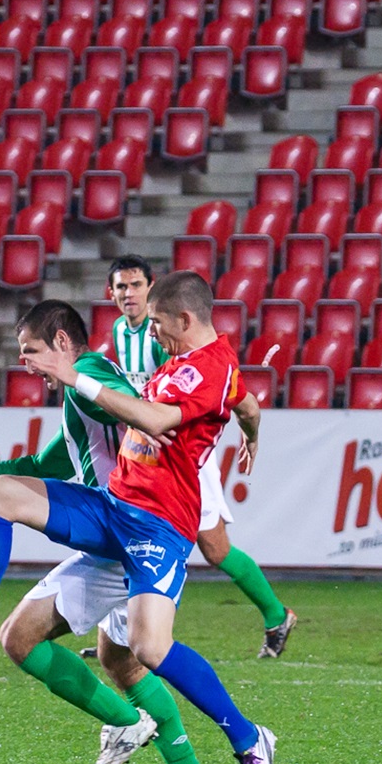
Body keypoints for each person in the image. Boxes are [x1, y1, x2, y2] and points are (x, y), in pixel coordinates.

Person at [0, 274, 277, 764]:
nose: (153, 335)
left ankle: (245, 738)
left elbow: (148, 414)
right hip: (112, 509)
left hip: (157, 524)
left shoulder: (192, 367)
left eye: (161, 326)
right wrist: (253, 433)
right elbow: (247, 403)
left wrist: (73, 375)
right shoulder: (192, 365)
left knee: (145, 650)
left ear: (185, 320)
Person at [104, 254, 296, 660]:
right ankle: (120, 630)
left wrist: (250, 433)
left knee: (214, 548)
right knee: (125, 524)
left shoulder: (173, 337)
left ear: (150, 288)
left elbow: (235, 397)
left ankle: (276, 615)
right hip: (147, 452)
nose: (128, 294)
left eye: (135, 285)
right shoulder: (122, 331)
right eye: (121, 287)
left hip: (184, 460)